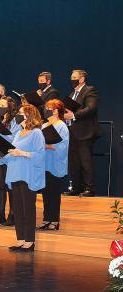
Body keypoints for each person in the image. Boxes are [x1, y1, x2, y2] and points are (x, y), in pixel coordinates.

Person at [6, 104, 45, 252]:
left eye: (21, 113)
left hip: (28, 175)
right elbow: (12, 153)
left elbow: (40, 155)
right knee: (17, 209)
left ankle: (29, 241)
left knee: (28, 209)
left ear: (29, 115)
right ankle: (20, 239)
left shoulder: (36, 133)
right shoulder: (18, 133)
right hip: (15, 173)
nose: (18, 115)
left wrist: (22, 153)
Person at [63, 69, 99, 197]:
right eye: (71, 77)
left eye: (74, 77)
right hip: (72, 131)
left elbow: (91, 108)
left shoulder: (89, 90)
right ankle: (76, 187)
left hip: (85, 131)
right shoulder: (72, 93)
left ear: (82, 79)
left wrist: (73, 115)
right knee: (74, 162)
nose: (72, 79)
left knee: (85, 160)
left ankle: (89, 188)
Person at [0, 97, 21, 226]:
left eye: (3, 105)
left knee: (10, 186)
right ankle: (0, 214)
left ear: (10, 106)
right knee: (0, 186)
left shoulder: (15, 121)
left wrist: (1, 130)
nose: (0, 108)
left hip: (9, 156)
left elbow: (15, 138)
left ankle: (12, 215)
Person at [39, 99, 69, 230]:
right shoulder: (45, 125)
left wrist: (45, 145)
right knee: (46, 193)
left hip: (55, 164)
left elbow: (62, 146)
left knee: (54, 194)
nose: (45, 111)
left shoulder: (62, 126)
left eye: (48, 108)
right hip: (45, 163)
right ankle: (46, 219)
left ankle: (55, 221)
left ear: (56, 111)